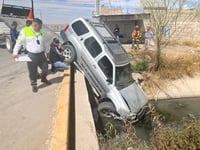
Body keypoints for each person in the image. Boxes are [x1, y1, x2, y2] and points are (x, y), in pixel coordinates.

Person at [12, 18, 51, 93]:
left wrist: (47, 52)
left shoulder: (40, 32)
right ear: (34, 25)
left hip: (41, 54)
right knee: (32, 72)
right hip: (31, 55)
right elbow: (19, 42)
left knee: (45, 68)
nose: (41, 28)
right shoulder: (25, 31)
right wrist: (15, 53)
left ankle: (43, 79)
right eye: (39, 26)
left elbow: (44, 43)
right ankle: (34, 84)